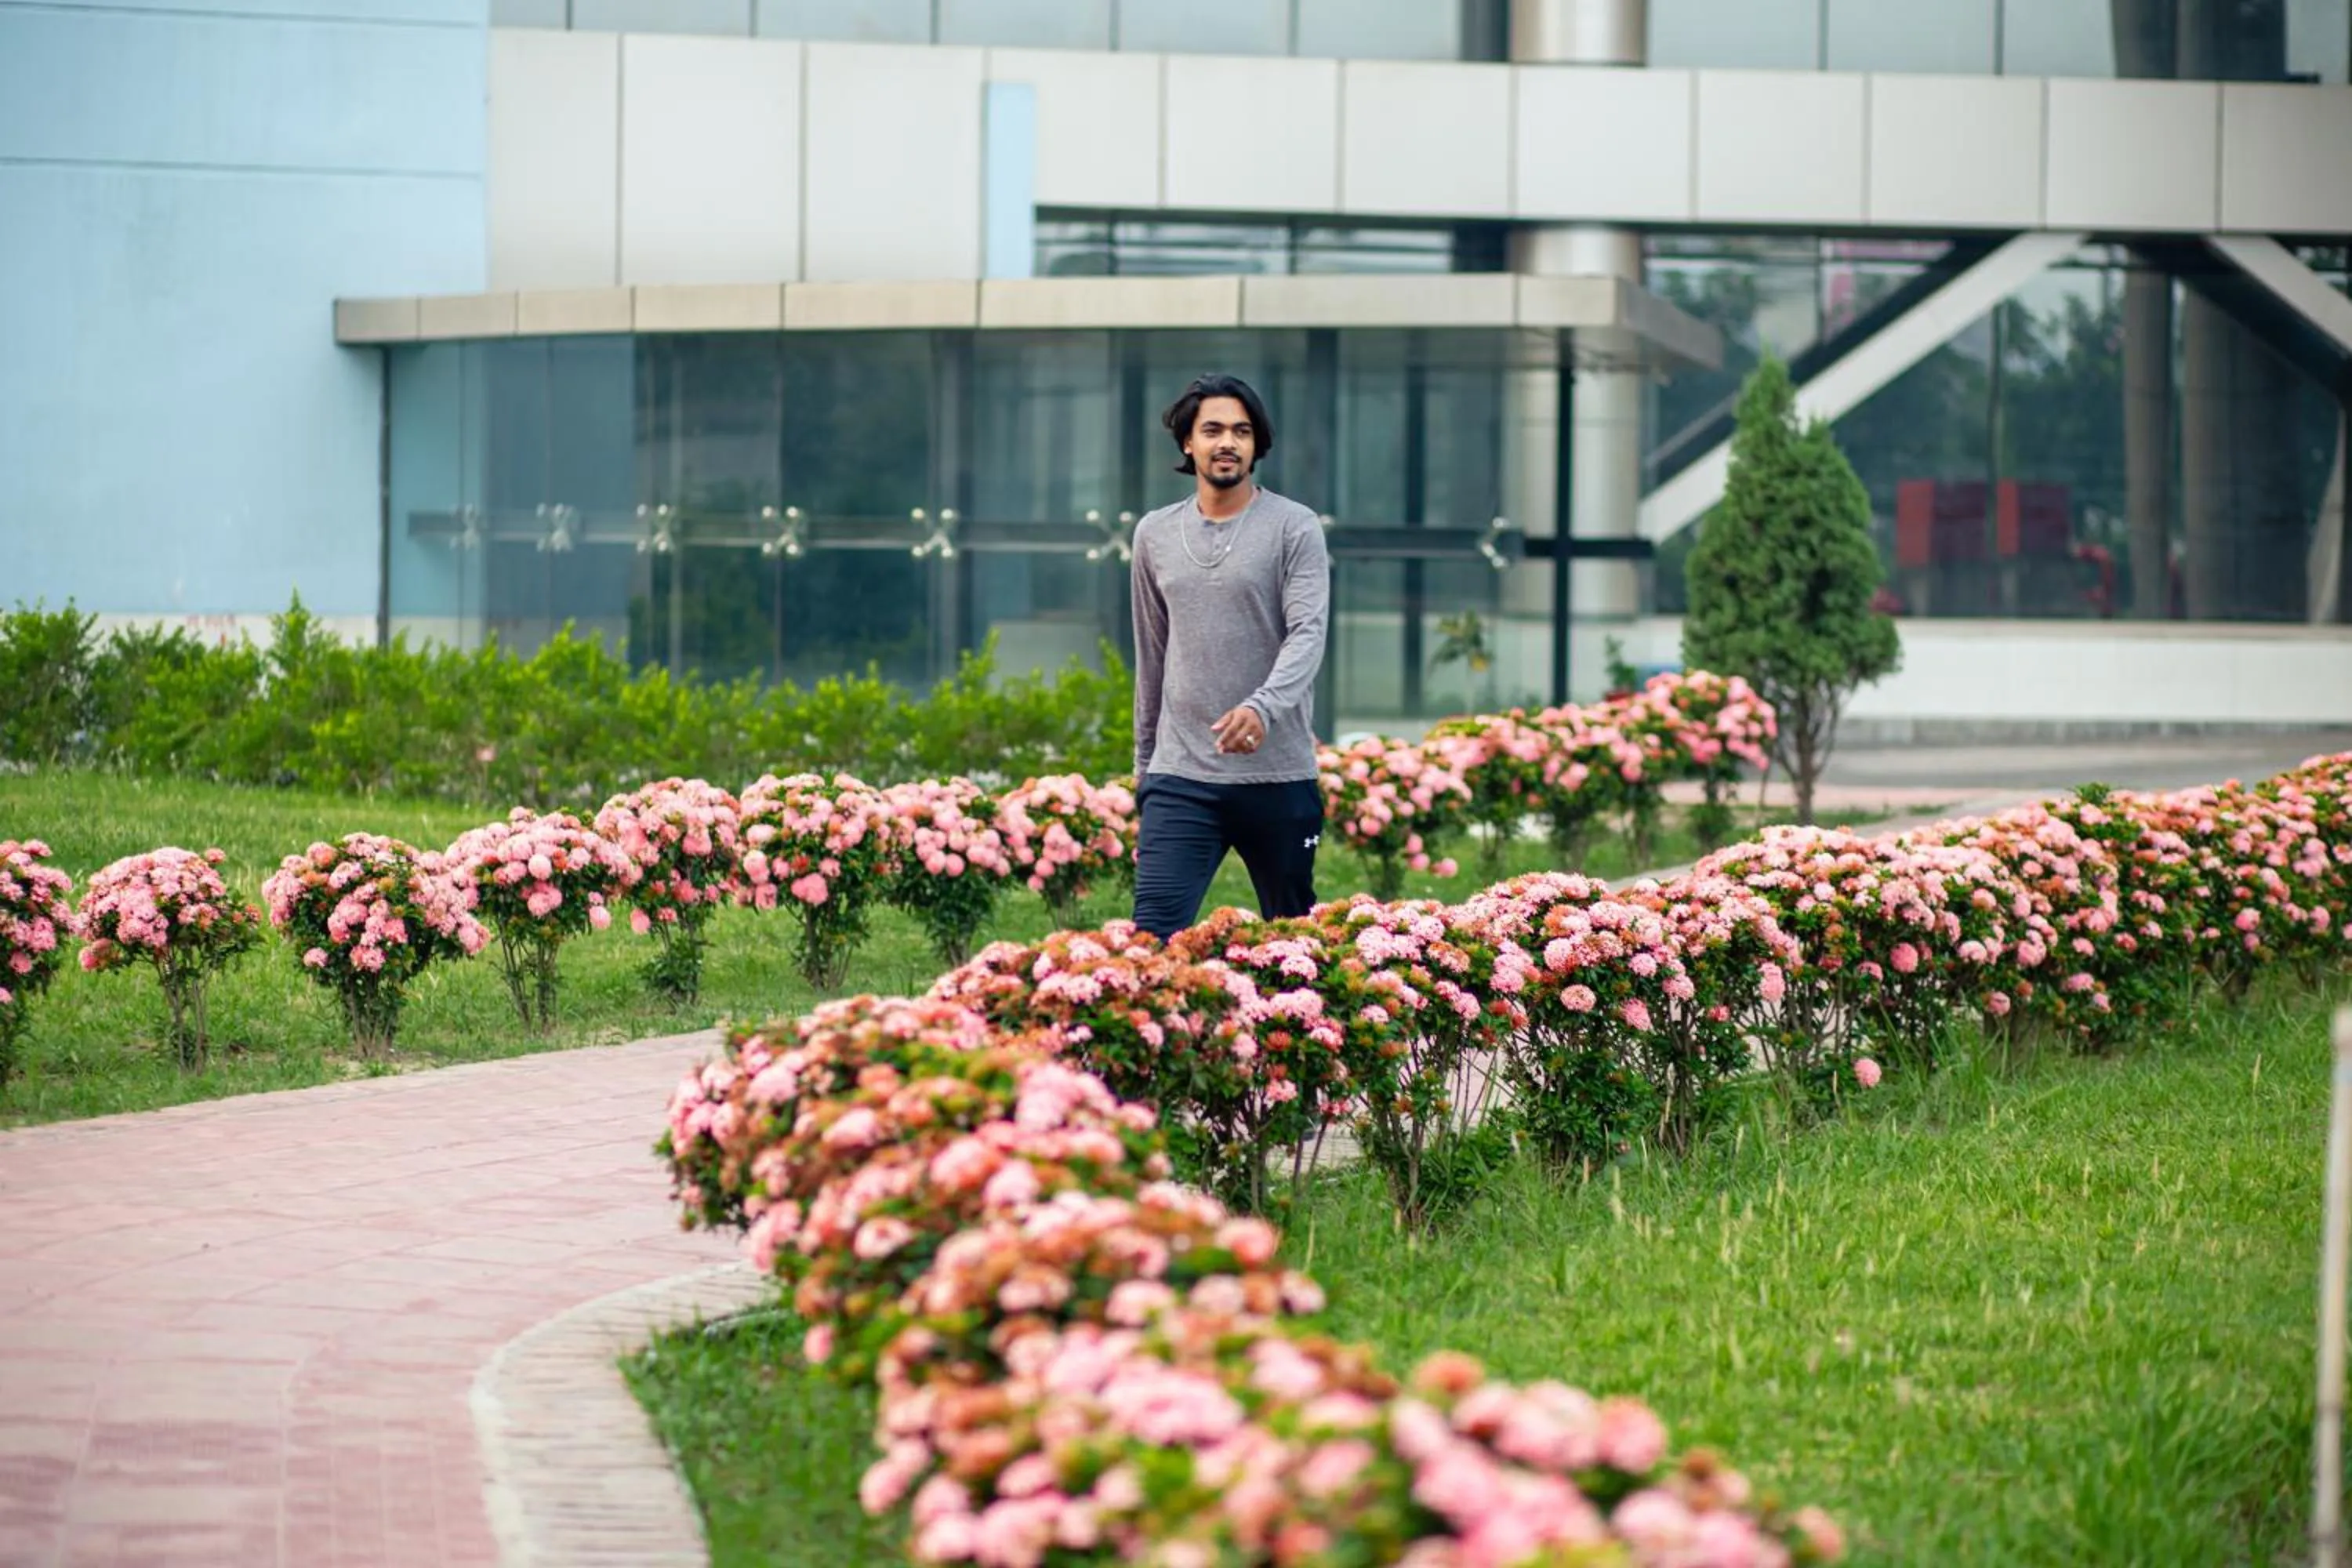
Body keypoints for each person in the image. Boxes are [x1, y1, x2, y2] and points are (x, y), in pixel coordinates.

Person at [1129, 372, 1330, 940]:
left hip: (1279, 776)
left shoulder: (1295, 527)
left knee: (1296, 945)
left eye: (1242, 432)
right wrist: (1145, 768)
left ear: (1256, 444)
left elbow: (1307, 634)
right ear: (1188, 443)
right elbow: (1152, 653)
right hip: (1181, 777)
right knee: (1151, 940)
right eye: (1213, 429)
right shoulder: (1154, 534)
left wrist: (1262, 708)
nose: (1228, 443)